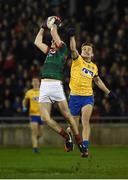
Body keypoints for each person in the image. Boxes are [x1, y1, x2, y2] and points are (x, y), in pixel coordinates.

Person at [34, 16, 87, 157]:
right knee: (45, 118)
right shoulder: (49, 52)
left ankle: (80, 142)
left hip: (56, 84)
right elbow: (37, 41)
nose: (52, 42)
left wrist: (54, 24)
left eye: (54, 41)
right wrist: (42, 27)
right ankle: (66, 137)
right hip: (44, 85)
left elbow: (54, 34)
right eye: (52, 41)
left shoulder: (63, 49)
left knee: (68, 116)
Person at [67, 28, 117, 157]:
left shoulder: (94, 67)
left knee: (85, 121)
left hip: (87, 97)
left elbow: (98, 81)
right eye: (84, 49)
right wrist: (72, 37)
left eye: (89, 50)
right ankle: (68, 136)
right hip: (74, 97)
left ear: (92, 54)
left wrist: (108, 92)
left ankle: (85, 148)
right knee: (73, 125)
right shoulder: (77, 60)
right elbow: (73, 49)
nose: (86, 51)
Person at [22, 77, 44, 153]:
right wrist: (24, 107)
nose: (35, 83)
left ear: (39, 83)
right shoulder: (29, 92)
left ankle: (35, 141)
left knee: (40, 133)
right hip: (33, 114)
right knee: (34, 132)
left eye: (36, 81)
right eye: (33, 81)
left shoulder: (42, 92)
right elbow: (24, 100)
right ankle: (35, 148)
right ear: (32, 83)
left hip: (41, 115)